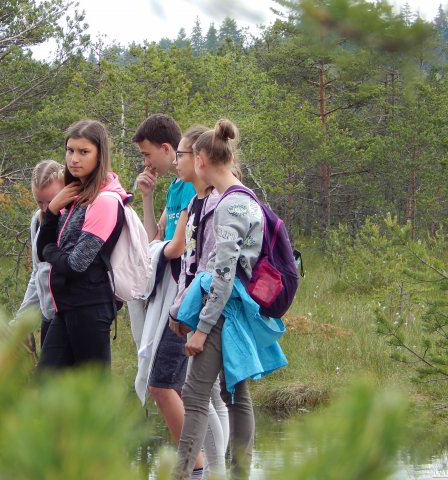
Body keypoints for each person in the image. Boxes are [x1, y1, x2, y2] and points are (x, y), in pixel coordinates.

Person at [174, 119, 287, 480]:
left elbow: (223, 275)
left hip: (224, 312)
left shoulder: (230, 206)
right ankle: (240, 474)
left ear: (202, 160)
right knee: (236, 393)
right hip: (237, 309)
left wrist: (202, 329)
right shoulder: (246, 198)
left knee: (194, 396)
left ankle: (180, 475)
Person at [131, 114, 204, 478]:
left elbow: (175, 248)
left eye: (147, 154)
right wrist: (147, 197)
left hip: (186, 298)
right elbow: (153, 239)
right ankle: (200, 466)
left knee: (164, 386)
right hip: (171, 298)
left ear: (166, 149)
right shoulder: (175, 187)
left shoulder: (191, 187)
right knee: (182, 391)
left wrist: (159, 249)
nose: (146, 162)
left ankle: (197, 466)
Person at [35, 119, 128, 368]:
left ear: (100, 155)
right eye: (70, 150)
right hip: (66, 306)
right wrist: (52, 210)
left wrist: (50, 250)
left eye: (84, 152)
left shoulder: (104, 201)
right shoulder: (75, 195)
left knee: (92, 386)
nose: (74, 159)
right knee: (46, 382)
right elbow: (41, 249)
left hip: (90, 306)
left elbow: (76, 264)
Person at [167, 125, 231, 478]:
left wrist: (197, 315)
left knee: (200, 396)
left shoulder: (218, 203)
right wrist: (180, 308)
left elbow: (210, 267)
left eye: (181, 154)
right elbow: (188, 263)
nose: (176, 161)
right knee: (210, 394)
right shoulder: (195, 202)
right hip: (197, 308)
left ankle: (216, 472)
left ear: (199, 158)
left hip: (211, 310)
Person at [14, 160, 65, 346]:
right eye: (39, 201)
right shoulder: (37, 221)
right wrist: (20, 322)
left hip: (69, 316)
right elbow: (38, 274)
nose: (45, 208)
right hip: (48, 316)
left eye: (51, 201)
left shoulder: (73, 221)